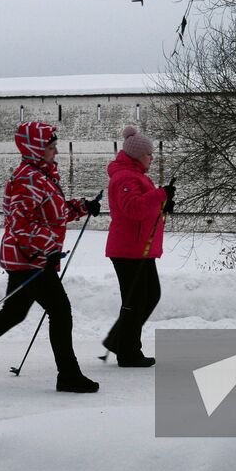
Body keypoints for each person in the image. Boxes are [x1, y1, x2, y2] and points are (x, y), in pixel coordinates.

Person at [0, 121, 103, 393]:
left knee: (14, 313)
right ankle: (68, 375)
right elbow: (20, 225)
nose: (56, 152)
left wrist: (82, 207)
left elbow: (52, 213)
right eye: (51, 147)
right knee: (60, 311)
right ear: (35, 149)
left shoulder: (41, 176)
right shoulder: (28, 178)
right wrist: (49, 247)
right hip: (29, 259)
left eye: (55, 146)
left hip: (33, 257)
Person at [102, 125, 174, 367]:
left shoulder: (137, 176)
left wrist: (163, 204)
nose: (152, 158)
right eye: (148, 154)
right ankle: (128, 352)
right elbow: (133, 209)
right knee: (136, 301)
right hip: (128, 250)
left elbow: (145, 207)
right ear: (137, 155)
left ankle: (120, 342)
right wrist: (159, 195)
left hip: (138, 248)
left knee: (148, 296)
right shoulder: (125, 178)